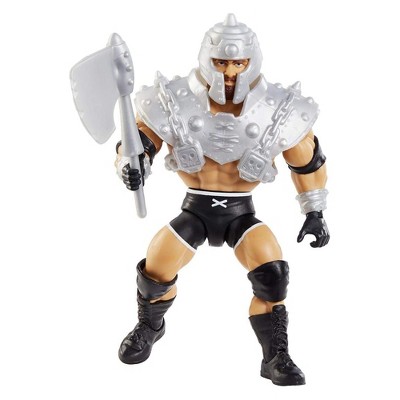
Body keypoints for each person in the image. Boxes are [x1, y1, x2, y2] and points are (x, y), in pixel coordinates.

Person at [115, 14, 329, 386]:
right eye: (221, 62)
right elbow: (139, 141)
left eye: (239, 63)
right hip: (195, 207)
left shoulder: (279, 109)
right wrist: (131, 164)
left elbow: (307, 161)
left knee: (273, 276)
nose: (230, 72)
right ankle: (149, 327)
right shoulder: (172, 100)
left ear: (252, 61)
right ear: (206, 59)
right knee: (155, 271)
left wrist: (315, 211)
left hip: (240, 211)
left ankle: (275, 356)